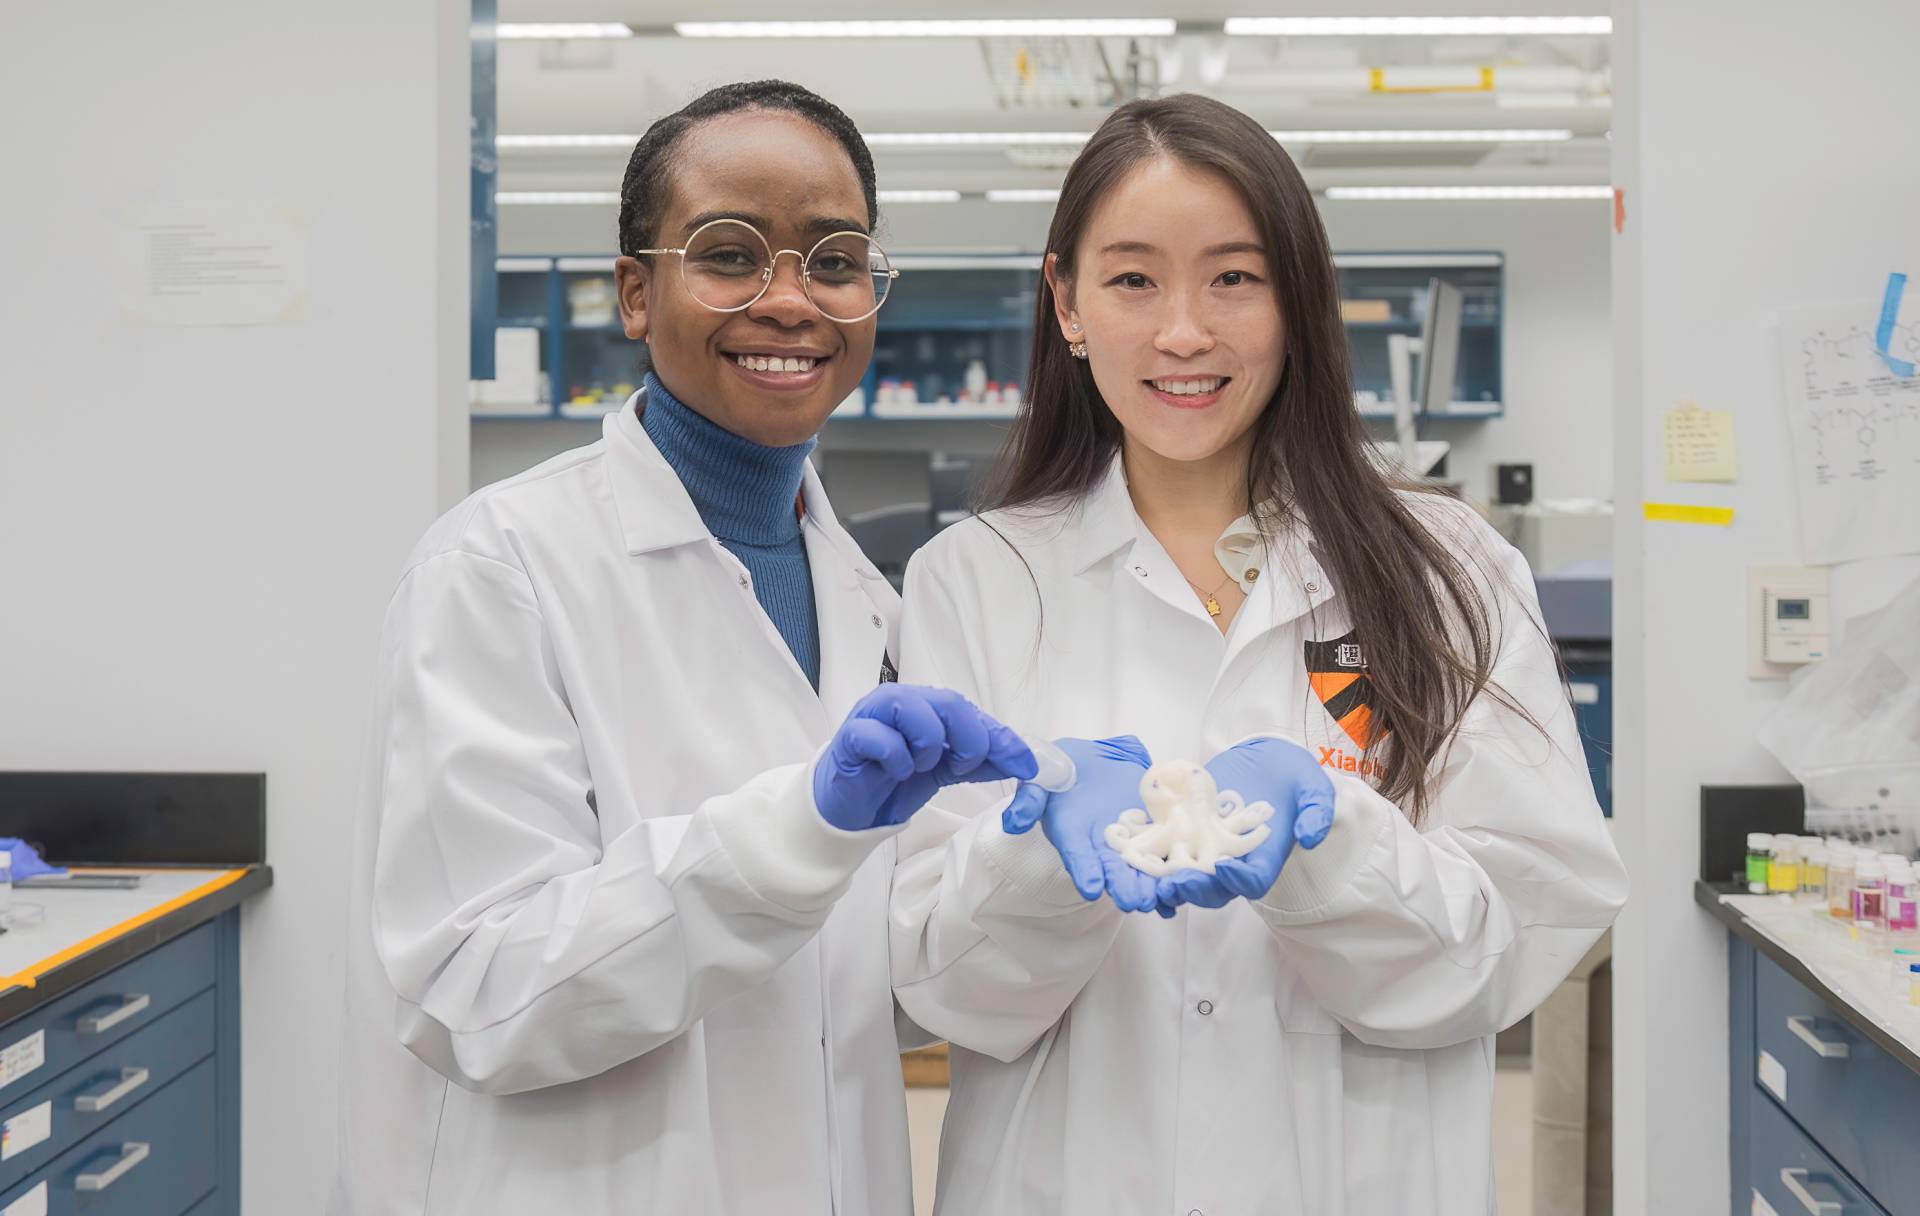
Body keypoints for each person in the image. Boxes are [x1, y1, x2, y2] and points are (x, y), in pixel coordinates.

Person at [889, 93, 1629, 1215]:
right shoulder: (978, 579)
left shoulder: (1450, 570)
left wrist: (1332, 856)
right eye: (1134, 278)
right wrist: (1036, 854)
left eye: (1235, 277)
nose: (1184, 331)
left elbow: (1517, 938)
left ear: (1298, 302)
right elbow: (939, 985)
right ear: (1067, 303)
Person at [331, 80, 1034, 1215]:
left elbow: (868, 988)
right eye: (728, 253)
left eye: (835, 259)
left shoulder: (872, 606)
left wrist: (1026, 874)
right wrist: (793, 833)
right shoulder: (498, 569)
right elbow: (479, 988)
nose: (789, 300)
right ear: (634, 292)